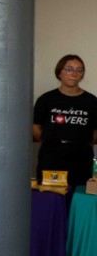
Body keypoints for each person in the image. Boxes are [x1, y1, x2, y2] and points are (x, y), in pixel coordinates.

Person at [32, 54, 97, 192]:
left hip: (81, 159)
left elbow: (96, 132)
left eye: (79, 70)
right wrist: (53, 142)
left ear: (82, 74)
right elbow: (36, 128)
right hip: (51, 158)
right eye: (69, 69)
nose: (74, 73)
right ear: (59, 72)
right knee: (50, 198)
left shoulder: (92, 101)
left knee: (78, 197)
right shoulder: (46, 99)